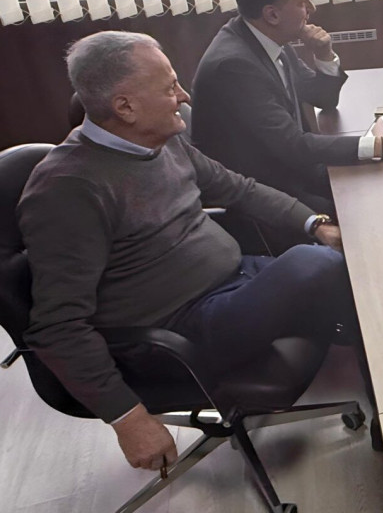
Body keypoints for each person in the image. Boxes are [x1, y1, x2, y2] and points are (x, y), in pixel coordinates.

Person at [19, 32, 359, 472]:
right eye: (170, 88)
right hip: (178, 332)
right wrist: (127, 418)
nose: (183, 97)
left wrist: (315, 223)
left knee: (352, 263)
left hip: (234, 281)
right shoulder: (67, 190)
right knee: (314, 264)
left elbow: (238, 189)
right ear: (125, 107)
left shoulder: (160, 139)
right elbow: (57, 327)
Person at [193, 0, 383, 216]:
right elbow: (292, 145)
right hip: (261, 191)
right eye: (302, 2)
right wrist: (379, 146)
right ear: (272, 15)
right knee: (368, 209)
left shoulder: (267, 39)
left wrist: (324, 55)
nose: (311, 9)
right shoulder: (234, 66)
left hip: (289, 168)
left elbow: (323, 98)